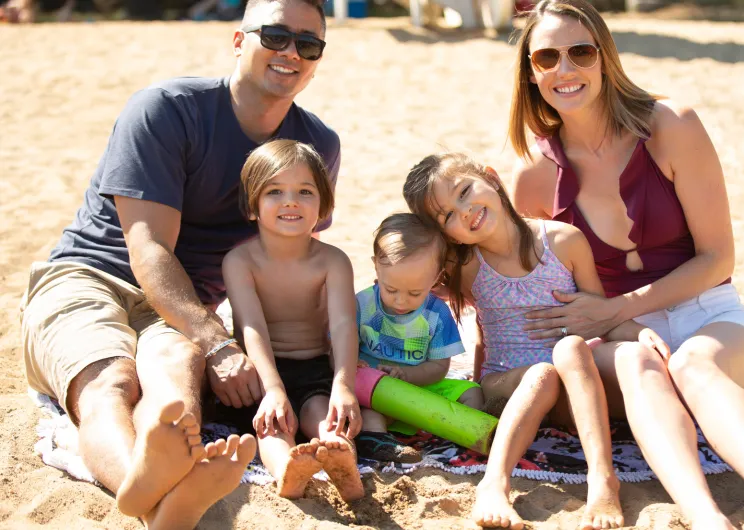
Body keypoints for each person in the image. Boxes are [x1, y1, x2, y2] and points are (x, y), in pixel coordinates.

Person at [18, 0, 339, 525]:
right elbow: (148, 249)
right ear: (240, 40)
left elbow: (291, 262)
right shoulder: (167, 108)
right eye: (275, 36)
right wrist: (217, 342)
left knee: (174, 386)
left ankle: (164, 494)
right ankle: (151, 499)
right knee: (113, 382)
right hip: (89, 275)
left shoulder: (315, 145)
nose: (290, 53)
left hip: (182, 309)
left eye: (308, 44)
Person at [506, 1, 744, 529]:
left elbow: (719, 258)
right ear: (530, 75)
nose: (565, 69)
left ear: (605, 58)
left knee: (694, 364)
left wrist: (616, 306)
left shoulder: (671, 124)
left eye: (580, 52)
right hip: (621, 337)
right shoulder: (532, 174)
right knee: (639, 366)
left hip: (707, 312)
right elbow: (519, 280)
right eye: (547, 58)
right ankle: (706, 518)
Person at [404, 152, 664, 530]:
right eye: (447, 217)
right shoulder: (465, 267)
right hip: (508, 382)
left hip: (574, 384)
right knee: (543, 372)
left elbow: (600, 316)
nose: (464, 212)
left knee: (571, 348)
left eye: (464, 192)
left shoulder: (565, 241)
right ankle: (495, 484)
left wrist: (639, 331)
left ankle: (602, 477)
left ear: (491, 178)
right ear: (445, 235)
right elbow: (421, 297)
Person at [222, 139, 364, 500]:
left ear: (323, 205)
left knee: (324, 416)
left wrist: (343, 385)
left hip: (315, 366)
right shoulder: (240, 262)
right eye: (274, 191)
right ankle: (287, 470)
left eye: (305, 191)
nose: (290, 201)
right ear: (252, 206)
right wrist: (272, 389)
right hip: (261, 371)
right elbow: (251, 326)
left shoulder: (332, 261)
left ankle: (341, 464)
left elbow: (344, 324)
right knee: (271, 426)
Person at [354, 212, 485, 463]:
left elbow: (438, 368)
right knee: (370, 413)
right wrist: (354, 364)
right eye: (391, 289)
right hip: (377, 392)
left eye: (415, 292)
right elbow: (339, 345)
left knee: (472, 393)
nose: (401, 301)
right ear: (376, 266)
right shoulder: (363, 304)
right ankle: (378, 442)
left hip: (422, 387)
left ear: (435, 278)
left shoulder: (436, 314)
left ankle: (469, 430)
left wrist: (408, 376)